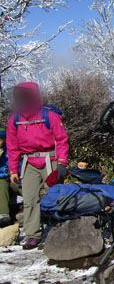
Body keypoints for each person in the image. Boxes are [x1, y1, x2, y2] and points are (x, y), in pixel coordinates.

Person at [7, 83, 69, 249]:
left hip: (50, 159)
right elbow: (12, 146)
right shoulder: (15, 120)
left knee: (55, 195)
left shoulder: (50, 116)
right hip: (29, 162)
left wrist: (62, 163)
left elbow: (62, 140)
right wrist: (13, 170)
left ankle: (58, 229)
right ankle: (32, 235)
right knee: (29, 199)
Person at [0, 130, 10, 227]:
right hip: (2, 179)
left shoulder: (9, 148)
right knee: (2, 183)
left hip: (14, 178)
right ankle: (4, 214)